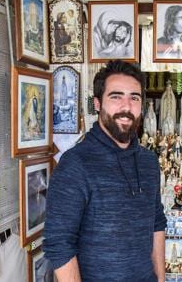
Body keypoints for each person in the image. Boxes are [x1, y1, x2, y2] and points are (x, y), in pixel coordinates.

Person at [44, 60, 166, 281]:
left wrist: (160, 278)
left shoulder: (149, 163)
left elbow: (157, 222)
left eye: (134, 98)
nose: (126, 107)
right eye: (116, 97)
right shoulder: (75, 164)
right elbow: (59, 244)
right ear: (98, 103)